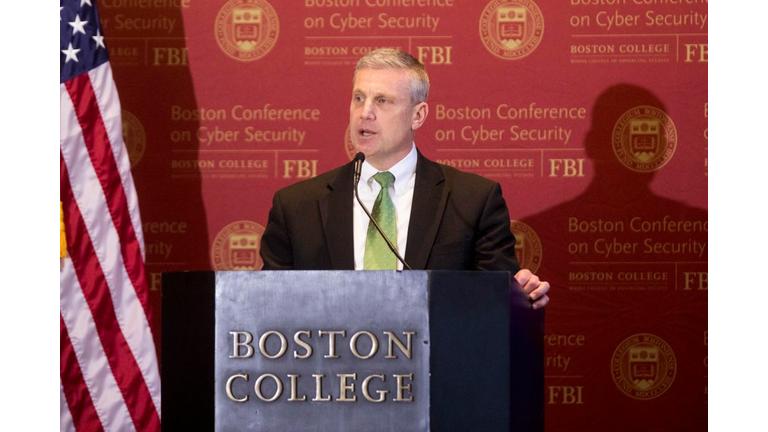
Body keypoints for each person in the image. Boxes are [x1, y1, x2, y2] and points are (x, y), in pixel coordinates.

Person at [260, 48, 549, 309]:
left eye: (382, 101)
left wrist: (520, 295)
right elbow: (268, 306)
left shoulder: (472, 200)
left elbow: (494, 304)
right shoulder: (296, 206)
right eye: (358, 98)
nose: (365, 113)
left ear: (418, 115)